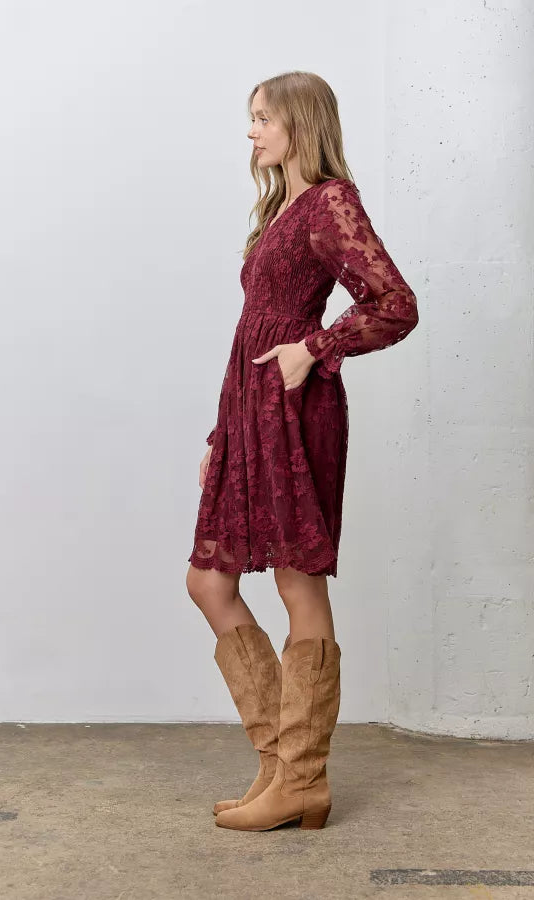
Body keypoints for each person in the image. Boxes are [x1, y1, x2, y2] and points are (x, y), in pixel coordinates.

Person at [185, 71, 419, 831]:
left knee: (297, 584)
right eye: (250, 118)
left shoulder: (328, 201)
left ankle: (303, 781)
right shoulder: (279, 208)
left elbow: (395, 303)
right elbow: (250, 330)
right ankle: (280, 767)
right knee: (207, 582)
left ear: (300, 124)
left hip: (295, 412)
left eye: (263, 118)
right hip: (250, 415)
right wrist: (222, 436)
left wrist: (314, 349)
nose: (251, 131)